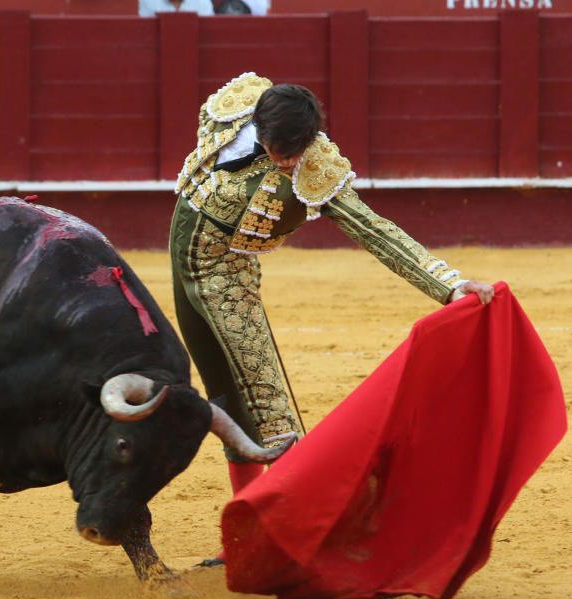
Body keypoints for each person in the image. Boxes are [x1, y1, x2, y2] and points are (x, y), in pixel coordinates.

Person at [169, 73, 494, 562]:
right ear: (258, 126)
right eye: (280, 150)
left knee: (268, 406)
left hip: (226, 280)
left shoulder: (317, 168)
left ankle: (300, 531)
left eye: (296, 151)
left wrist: (448, 284)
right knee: (227, 400)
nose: (288, 161)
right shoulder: (232, 108)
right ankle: (245, 536)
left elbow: (374, 231)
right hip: (182, 263)